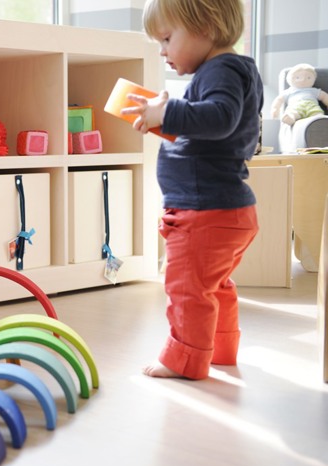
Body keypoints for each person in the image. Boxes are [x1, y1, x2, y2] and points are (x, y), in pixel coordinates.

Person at [122, 0, 262, 379]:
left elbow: (220, 118)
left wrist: (168, 113)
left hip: (205, 211)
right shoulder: (231, 70)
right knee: (213, 287)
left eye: (167, 38)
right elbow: (217, 128)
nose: (163, 51)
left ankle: (185, 359)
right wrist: (166, 117)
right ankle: (219, 348)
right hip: (225, 209)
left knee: (187, 289)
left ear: (207, 26)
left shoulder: (222, 70)